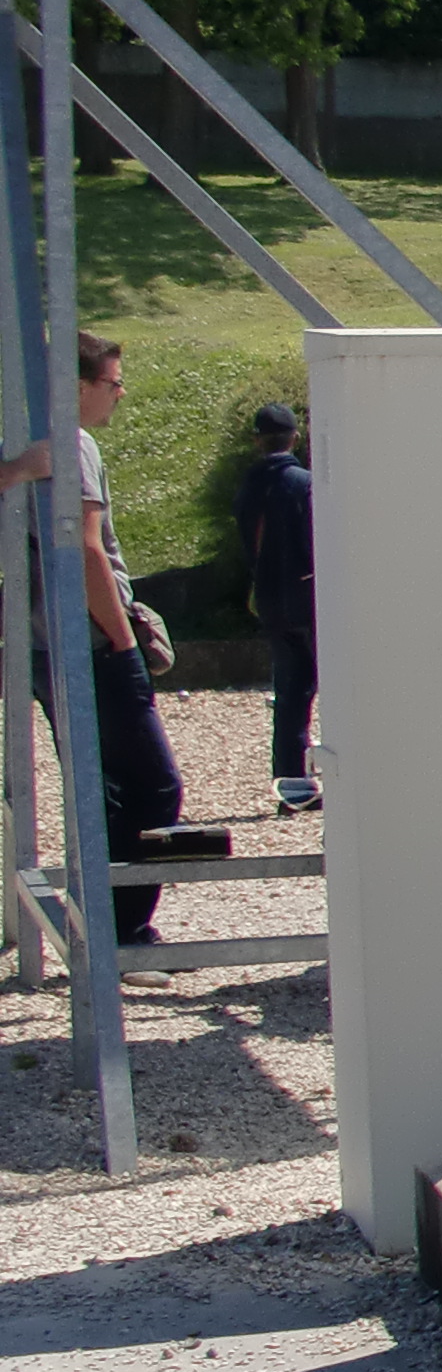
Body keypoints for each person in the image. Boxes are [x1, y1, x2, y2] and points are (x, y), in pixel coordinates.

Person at [2, 337, 186, 951]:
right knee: (153, 787)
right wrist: (122, 640)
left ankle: (103, 922)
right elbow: (85, 551)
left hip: (42, 644)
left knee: (104, 788)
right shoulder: (71, 443)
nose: (121, 391)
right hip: (90, 645)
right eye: (113, 381)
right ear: (78, 386)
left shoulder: (23, 438)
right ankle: (123, 932)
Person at [235, 401, 318, 811]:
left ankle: (290, 785)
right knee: (333, 689)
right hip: (309, 597)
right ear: (296, 438)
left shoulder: (248, 485)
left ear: (256, 440)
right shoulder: (305, 483)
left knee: (289, 694)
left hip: (268, 598)